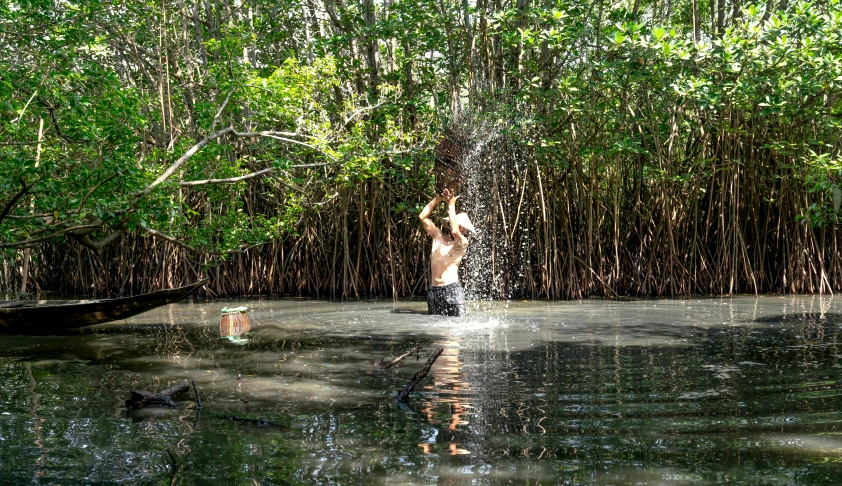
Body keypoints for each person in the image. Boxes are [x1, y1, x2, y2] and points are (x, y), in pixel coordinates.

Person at [418, 188, 475, 316]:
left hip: (452, 290)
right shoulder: (438, 236)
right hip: (433, 291)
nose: (461, 229)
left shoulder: (462, 243)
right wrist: (437, 199)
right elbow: (422, 216)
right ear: (449, 223)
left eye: (463, 227)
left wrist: (451, 204)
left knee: (457, 329)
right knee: (436, 332)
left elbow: (455, 231)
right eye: (459, 225)